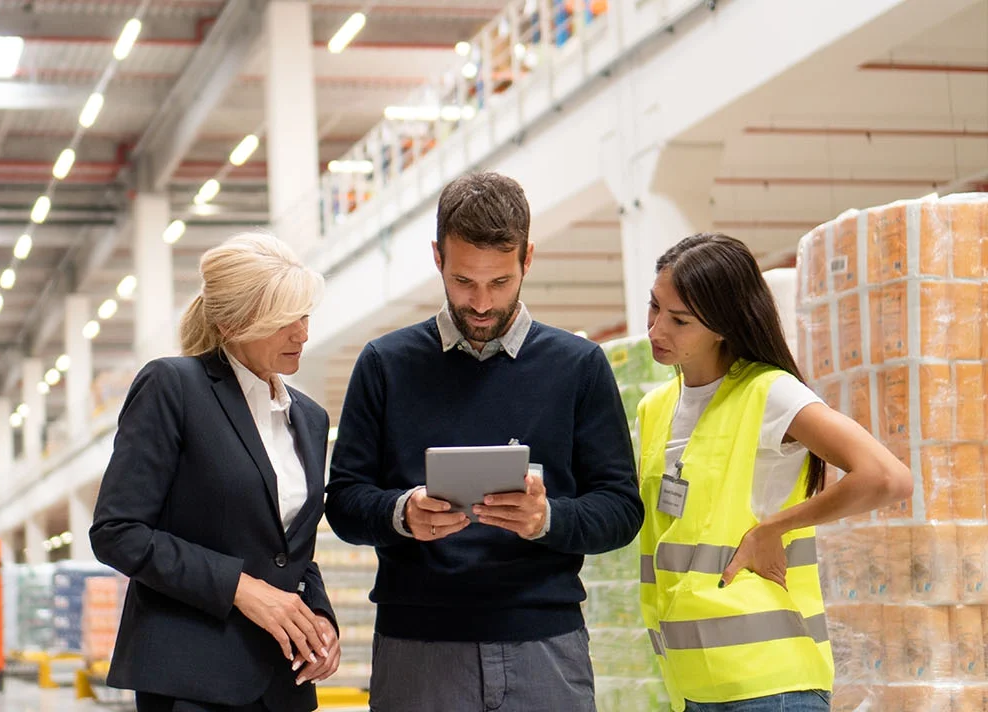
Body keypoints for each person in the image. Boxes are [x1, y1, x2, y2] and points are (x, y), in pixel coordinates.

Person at [325, 171, 643, 712]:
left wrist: (548, 520)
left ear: (527, 259)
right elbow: (345, 502)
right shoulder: (384, 365)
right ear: (437, 258)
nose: (480, 303)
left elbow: (620, 509)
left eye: (499, 282)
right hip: (416, 648)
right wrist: (403, 514)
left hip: (545, 644)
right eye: (463, 281)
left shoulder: (579, 367)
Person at [637, 233, 913, 712]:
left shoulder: (769, 393)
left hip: (770, 685)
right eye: (654, 307)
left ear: (723, 326)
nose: (657, 329)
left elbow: (887, 476)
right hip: (691, 683)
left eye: (679, 319)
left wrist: (776, 527)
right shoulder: (655, 407)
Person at [89, 232, 340, 712]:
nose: (303, 333)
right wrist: (242, 589)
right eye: (285, 319)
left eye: (305, 315)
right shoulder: (173, 388)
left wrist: (319, 619)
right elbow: (117, 532)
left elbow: (289, 551)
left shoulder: (309, 419)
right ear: (231, 323)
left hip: (284, 683)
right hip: (192, 681)